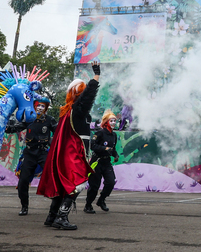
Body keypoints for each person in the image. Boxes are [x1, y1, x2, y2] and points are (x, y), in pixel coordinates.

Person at [37, 61, 101, 230]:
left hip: (65, 154)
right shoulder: (78, 110)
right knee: (77, 184)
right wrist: (96, 76)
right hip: (73, 154)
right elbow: (88, 97)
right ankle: (61, 216)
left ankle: (51, 217)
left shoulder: (67, 112)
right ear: (79, 94)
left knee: (63, 184)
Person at [7, 95, 57, 216]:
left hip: (43, 153)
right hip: (29, 154)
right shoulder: (29, 119)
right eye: (38, 106)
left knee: (52, 176)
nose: (40, 108)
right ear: (34, 107)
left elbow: (59, 133)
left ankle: (56, 206)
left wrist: (51, 141)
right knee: (23, 181)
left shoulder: (50, 120)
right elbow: (16, 128)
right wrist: (3, 126)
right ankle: (24, 206)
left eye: (42, 106)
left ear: (45, 109)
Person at [84, 110, 119, 214]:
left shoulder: (114, 135)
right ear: (106, 122)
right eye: (111, 121)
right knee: (94, 185)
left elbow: (113, 149)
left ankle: (101, 200)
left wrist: (115, 155)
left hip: (106, 162)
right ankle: (88, 205)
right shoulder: (99, 133)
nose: (113, 123)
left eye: (114, 121)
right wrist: (104, 148)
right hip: (97, 161)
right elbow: (92, 146)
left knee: (111, 182)